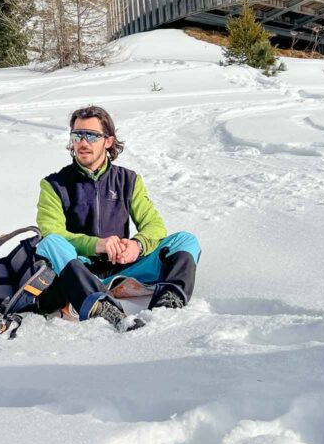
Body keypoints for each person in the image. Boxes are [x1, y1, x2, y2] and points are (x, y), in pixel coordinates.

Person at [35, 105, 201, 331]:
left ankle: (167, 304)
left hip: (122, 269)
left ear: (108, 141)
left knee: (185, 240)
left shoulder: (128, 180)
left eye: (92, 135)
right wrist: (97, 245)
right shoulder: (54, 185)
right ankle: (100, 305)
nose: (83, 143)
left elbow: (154, 226)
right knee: (50, 242)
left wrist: (137, 245)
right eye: (77, 135)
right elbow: (52, 231)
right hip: (77, 273)